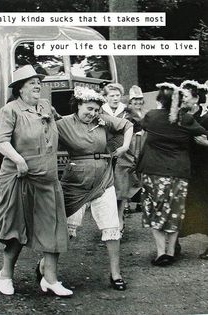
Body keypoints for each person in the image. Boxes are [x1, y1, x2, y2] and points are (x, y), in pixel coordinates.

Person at [36, 86, 133, 290]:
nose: (93, 113)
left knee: (111, 227)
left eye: (96, 110)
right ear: (78, 105)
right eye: (89, 109)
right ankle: (44, 266)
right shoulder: (63, 124)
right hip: (75, 181)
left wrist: (124, 147)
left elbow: (127, 125)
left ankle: (116, 274)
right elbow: (43, 134)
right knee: (65, 230)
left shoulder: (102, 121)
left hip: (103, 179)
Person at [0, 65, 72, 297]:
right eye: (31, 83)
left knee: (52, 226)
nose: (38, 85)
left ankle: (51, 279)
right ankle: (5, 274)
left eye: (39, 82)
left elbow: (62, 124)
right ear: (19, 89)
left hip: (47, 177)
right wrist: (18, 160)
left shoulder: (46, 107)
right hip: (19, 177)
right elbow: (0, 140)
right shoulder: (10, 110)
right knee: (16, 228)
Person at [137, 82, 208, 266]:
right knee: (175, 211)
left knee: (155, 211)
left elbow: (141, 127)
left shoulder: (151, 116)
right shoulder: (185, 119)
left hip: (154, 171)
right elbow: (203, 136)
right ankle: (170, 251)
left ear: (160, 100)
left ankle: (161, 253)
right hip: (179, 172)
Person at [100, 83, 141, 234]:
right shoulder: (99, 110)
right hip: (104, 151)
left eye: (117, 95)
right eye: (112, 95)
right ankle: (108, 220)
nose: (115, 98)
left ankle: (120, 219)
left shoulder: (127, 110)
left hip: (123, 152)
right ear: (105, 97)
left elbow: (139, 125)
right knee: (106, 188)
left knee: (122, 186)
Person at [179, 80, 208, 259]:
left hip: (204, 168)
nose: (183, 100)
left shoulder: (204, 116)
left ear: (196, 99)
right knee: (182, 204)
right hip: (185, 167)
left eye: (186, 96)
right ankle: (173, 246)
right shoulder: (179, 115)